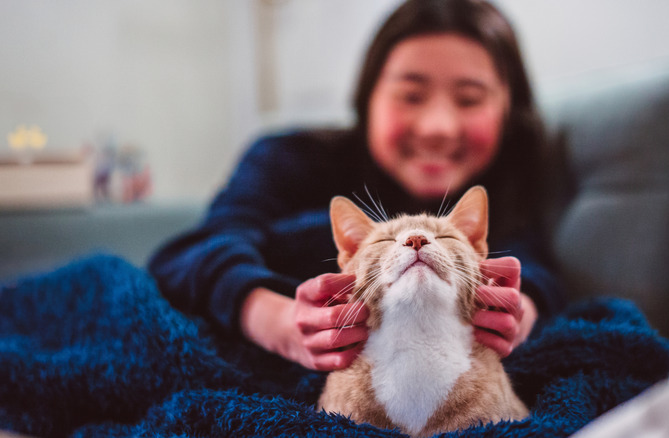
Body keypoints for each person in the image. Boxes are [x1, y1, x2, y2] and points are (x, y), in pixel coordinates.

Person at [148, 0, 564, 372]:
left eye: (469, 99)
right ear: (368, 97)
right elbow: (196, 249)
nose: (438, 126)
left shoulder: (508, 183)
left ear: (509, 111)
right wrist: (279, 323)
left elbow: (534, 272)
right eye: (411, 95)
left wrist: (518, 312)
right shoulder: (285, 157)